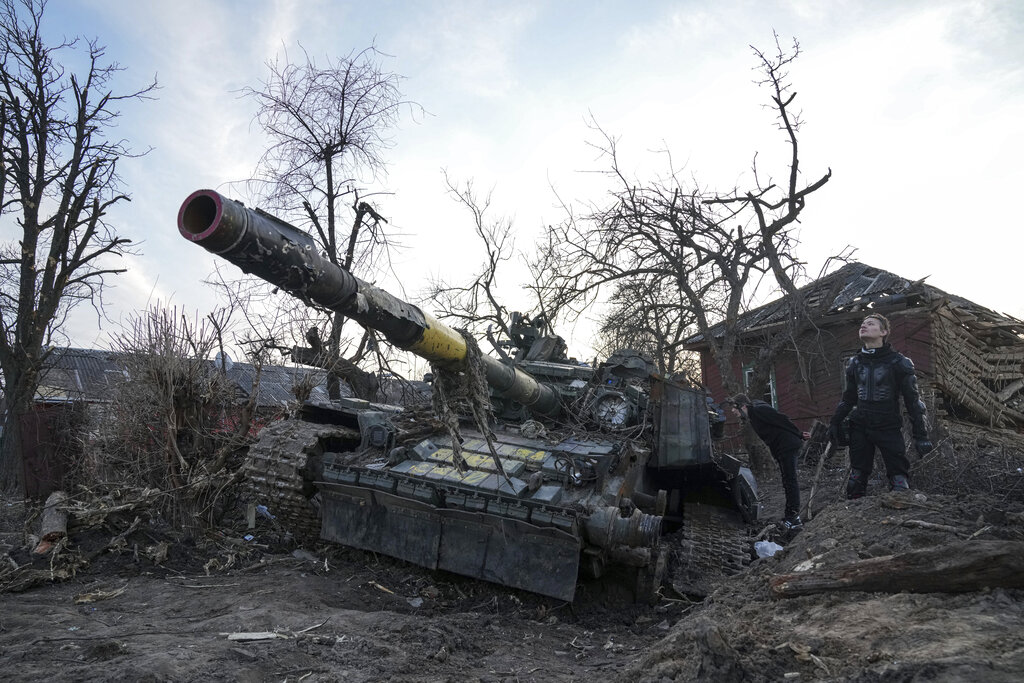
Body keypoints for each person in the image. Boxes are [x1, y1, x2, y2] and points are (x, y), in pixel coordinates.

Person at [829, 313, 933, 499]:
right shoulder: (855, 363)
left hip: (888, 425)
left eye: (870, 324)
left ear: (883, 332)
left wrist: (921, 435)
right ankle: (853, 521)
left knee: (899, 479)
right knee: (856, 477)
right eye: (862, 324)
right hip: (860, 425)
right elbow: (848, 398)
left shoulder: (899, 362)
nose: (863, 326)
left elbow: (913, 401)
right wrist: (835, 422)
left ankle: (901, 516)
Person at [725, 393, 808, 530]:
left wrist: (799, 434)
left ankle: (794, 518)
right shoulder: (753, 413)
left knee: (790, 480)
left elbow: (782, 419)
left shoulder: (759, 410)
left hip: (787, 446)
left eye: (734, 408)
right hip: (782, 448)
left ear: (743, 406)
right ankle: (790, 516)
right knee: (787, 481)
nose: (733, 411)